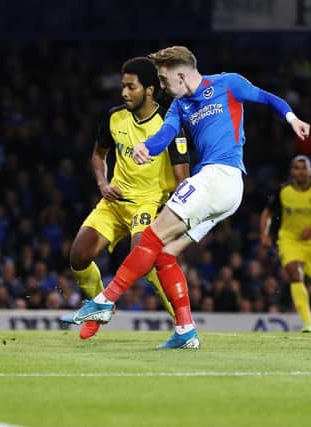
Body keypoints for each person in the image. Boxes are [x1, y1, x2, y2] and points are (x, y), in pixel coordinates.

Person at [68, 46, 310, 349]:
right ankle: (185, 330)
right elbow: (165, 135)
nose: (165, 88)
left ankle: (105, 301)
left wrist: (292, 119)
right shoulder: (179, 106)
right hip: (222, 190)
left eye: (166, 82)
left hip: (220, 176)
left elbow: (267, 98)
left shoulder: (227, 83)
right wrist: (147, 149)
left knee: (150, 239)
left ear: (181, 76)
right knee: (165, 254)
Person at [66, 57, 189, 340]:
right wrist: (102, 182)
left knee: (144, 261)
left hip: (148, 203)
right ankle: (99, 309)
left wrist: (171, 213)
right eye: (123, 86)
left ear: (149, 90)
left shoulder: (168, 124)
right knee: (78, 256)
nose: (124, 93)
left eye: (130, 87)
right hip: (114, 202)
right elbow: (99, 154)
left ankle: (183, 324)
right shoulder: (114, 117)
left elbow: (183, 177)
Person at [260, 155, 311, 332]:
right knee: (295, 274)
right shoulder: (283, 191)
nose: (300, 172)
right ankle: (308, 323)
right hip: (290, 240)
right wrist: (264, 234)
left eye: (304, 168)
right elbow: (267, 213)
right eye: (296, 168)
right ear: (291, 171)